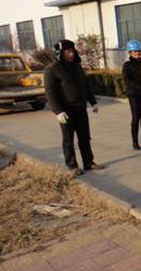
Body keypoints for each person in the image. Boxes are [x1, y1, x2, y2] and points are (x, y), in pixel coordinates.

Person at [44, 39, 104, 176]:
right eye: (67, 52)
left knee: (85, 138)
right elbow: (50, 93)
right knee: (68, 140)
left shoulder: (76, 67)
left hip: (80, 108)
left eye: (72, 51)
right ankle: (72, 166)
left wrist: (93, 102)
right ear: (60, 53)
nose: (71, 54)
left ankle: (89, 162)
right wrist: (58, 111)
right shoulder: (51, 70)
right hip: (66, 111)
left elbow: (85, 85)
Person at [122, 40, 141, 150]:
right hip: (134, 95)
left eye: (138, 51)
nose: (137, 53)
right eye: (134, 51)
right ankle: (135, 142)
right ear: (130, 53)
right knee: (136, 118)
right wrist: (137, 86)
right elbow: (126, 80)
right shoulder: (127, 65)